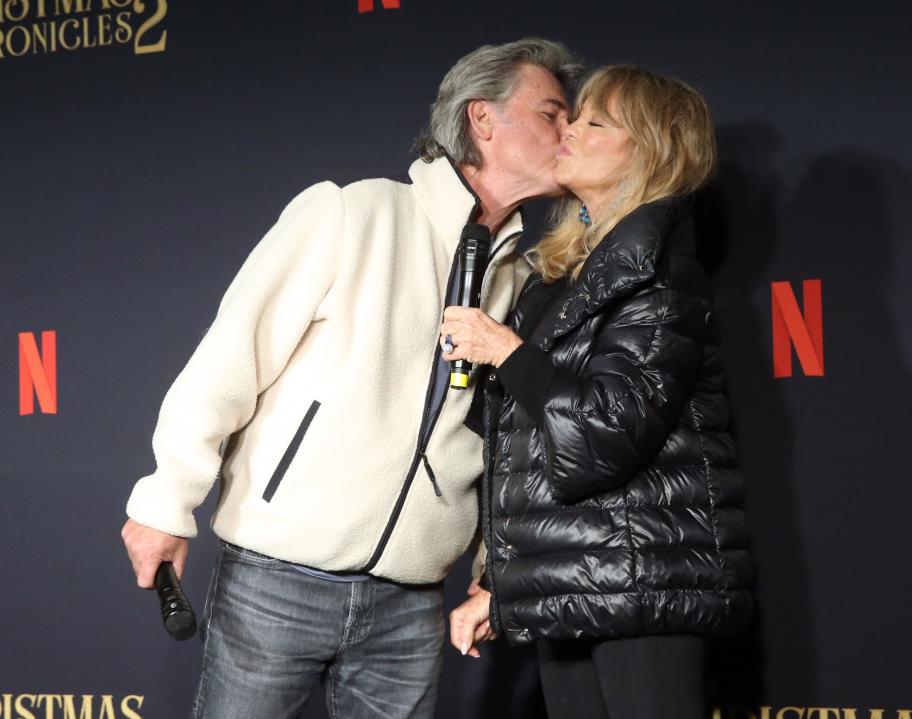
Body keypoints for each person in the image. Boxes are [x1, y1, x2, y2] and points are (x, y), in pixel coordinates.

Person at [120, 38, 580, 719]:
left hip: (413, 598)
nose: (567, 132)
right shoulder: (352, 213)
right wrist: (163, 501)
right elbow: (229, 357)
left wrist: (491, 567)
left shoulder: (520, 278)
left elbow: (503, 445)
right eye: (550, 113)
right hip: (277, 578)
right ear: (483, 120)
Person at [442, 65, 753, 718]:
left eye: (594, 121)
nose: (569, 130)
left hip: (645, 595)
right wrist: (499, 583)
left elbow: (599, 435)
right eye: (571, 114)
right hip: (573, 591)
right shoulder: (560, 278)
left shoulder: (662, 275)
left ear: (649, 151)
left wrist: (504, 349)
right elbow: (529, 452)